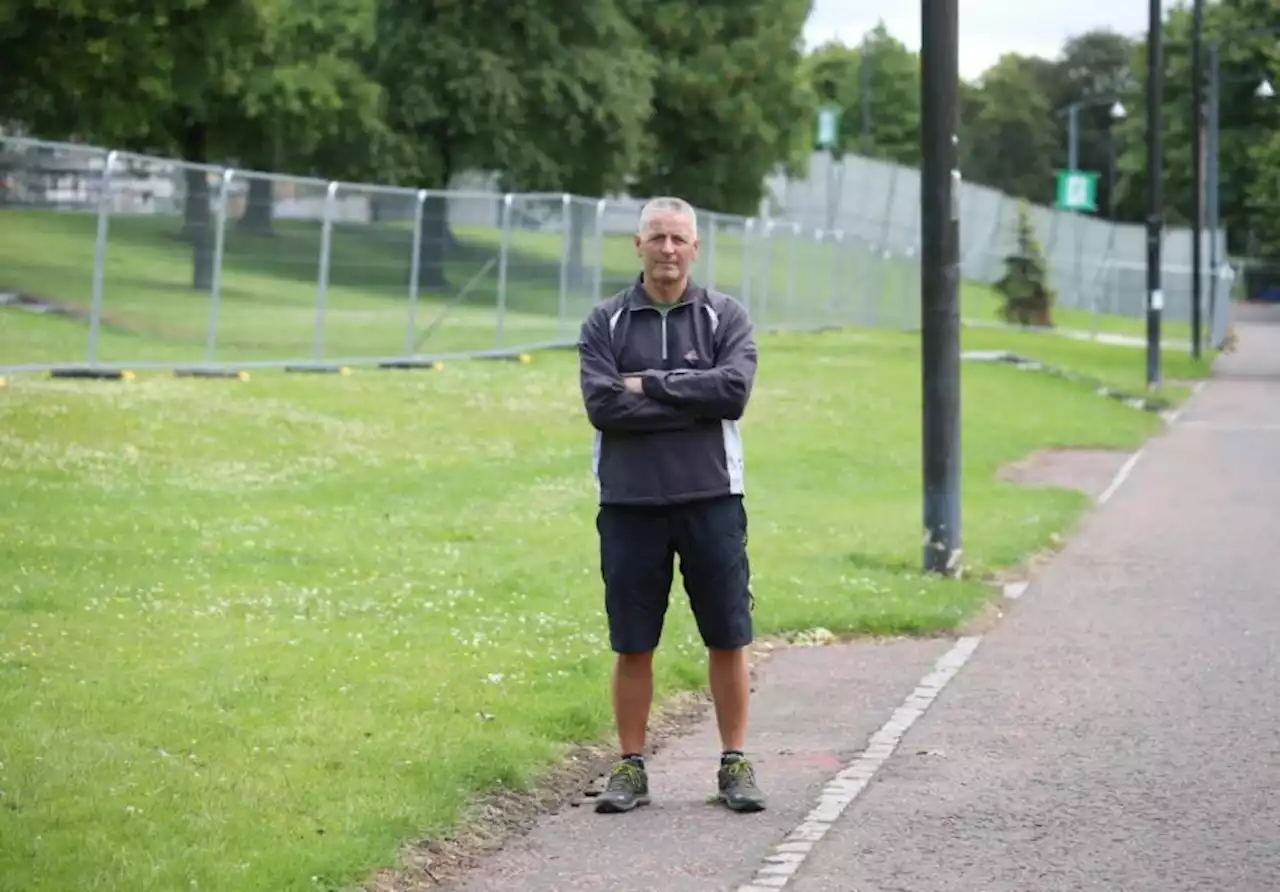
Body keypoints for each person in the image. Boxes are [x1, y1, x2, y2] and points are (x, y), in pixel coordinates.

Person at [576, 196, 765, 815]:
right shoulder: (604, 323)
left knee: (727, 636)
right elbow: (604, 406)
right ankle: (631, 766)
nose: (668, 249)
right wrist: (690, 397)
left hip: (711, 496)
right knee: (634, 642)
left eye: (679, 239)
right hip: (630, 502)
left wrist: (649, 384)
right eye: (657, 237)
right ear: (637, 245)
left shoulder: (724, 317)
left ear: (695, 248)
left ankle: (734, 762)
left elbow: (732, 392)